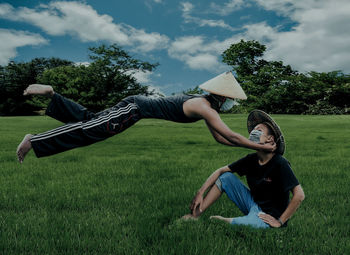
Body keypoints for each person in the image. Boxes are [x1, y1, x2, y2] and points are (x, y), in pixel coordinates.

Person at [16, 72, 276, 163]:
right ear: (221, 97)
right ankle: (35, 141)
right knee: (91, 130)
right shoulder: (204, 107)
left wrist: (252, 150)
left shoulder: (207, 107)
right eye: (231, 100)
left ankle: (52, 95)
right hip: (135, 109)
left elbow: (222, 139)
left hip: (134, 108)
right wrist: (258, 146)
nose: (232, 104)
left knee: (90, 120)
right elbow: (230, 134)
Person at [182, 110, 305, 228]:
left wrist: (280, 221)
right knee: (226, 177)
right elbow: (220, 171)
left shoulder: (280, 163)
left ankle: (227, 221)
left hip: (269, 215)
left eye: (259, 130)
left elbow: (299, 195)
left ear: (270, 139)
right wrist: (200, 192)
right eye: (253, 130)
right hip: (252, 204)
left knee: (247, 224)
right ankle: (194, 216)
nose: (253, 132)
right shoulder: (251, 159)